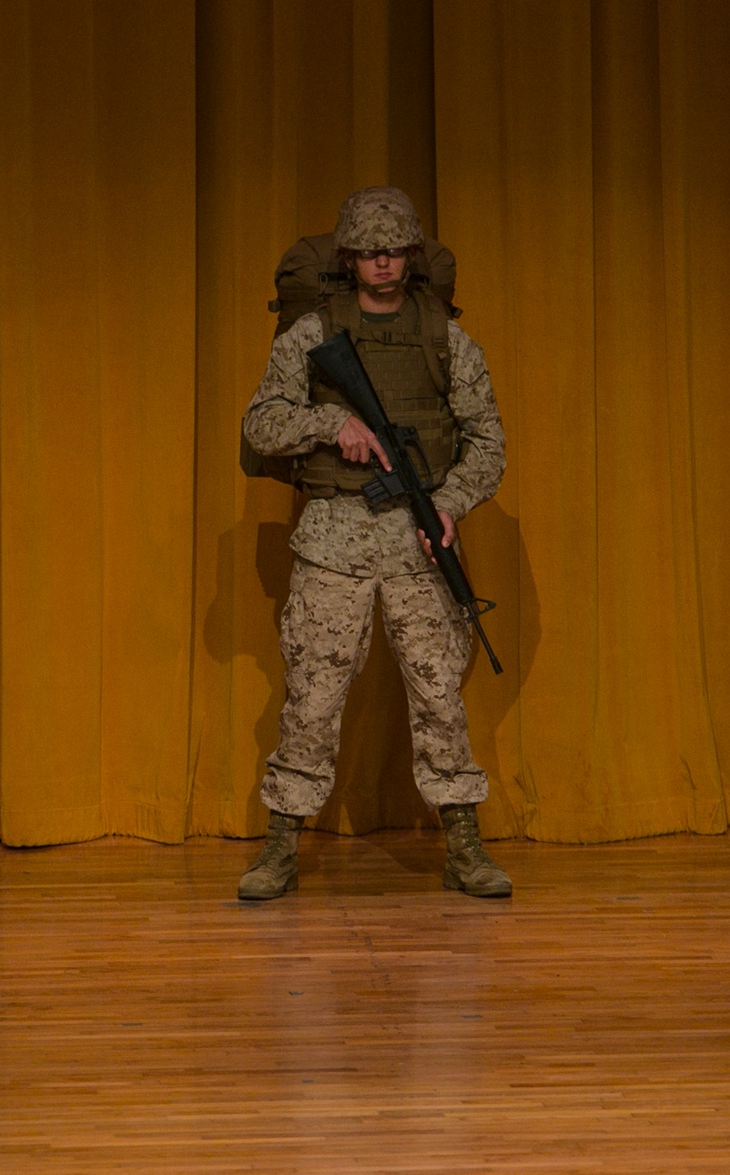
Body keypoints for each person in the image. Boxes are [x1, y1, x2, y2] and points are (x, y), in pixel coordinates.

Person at [238, 186, 510, 900]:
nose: (383, 262)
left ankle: (465, 847)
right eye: (369, 251)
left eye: (395, 250)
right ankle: (280, 849)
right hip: (333, 537)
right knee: (312, 696)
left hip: (418, 542)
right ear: (351, 257)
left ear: (411, 256)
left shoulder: (446, 340)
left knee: (439, 693)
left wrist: (448, 502)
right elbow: (262, 424)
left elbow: (488, 442)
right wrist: (333, 426)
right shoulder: (311, 335)